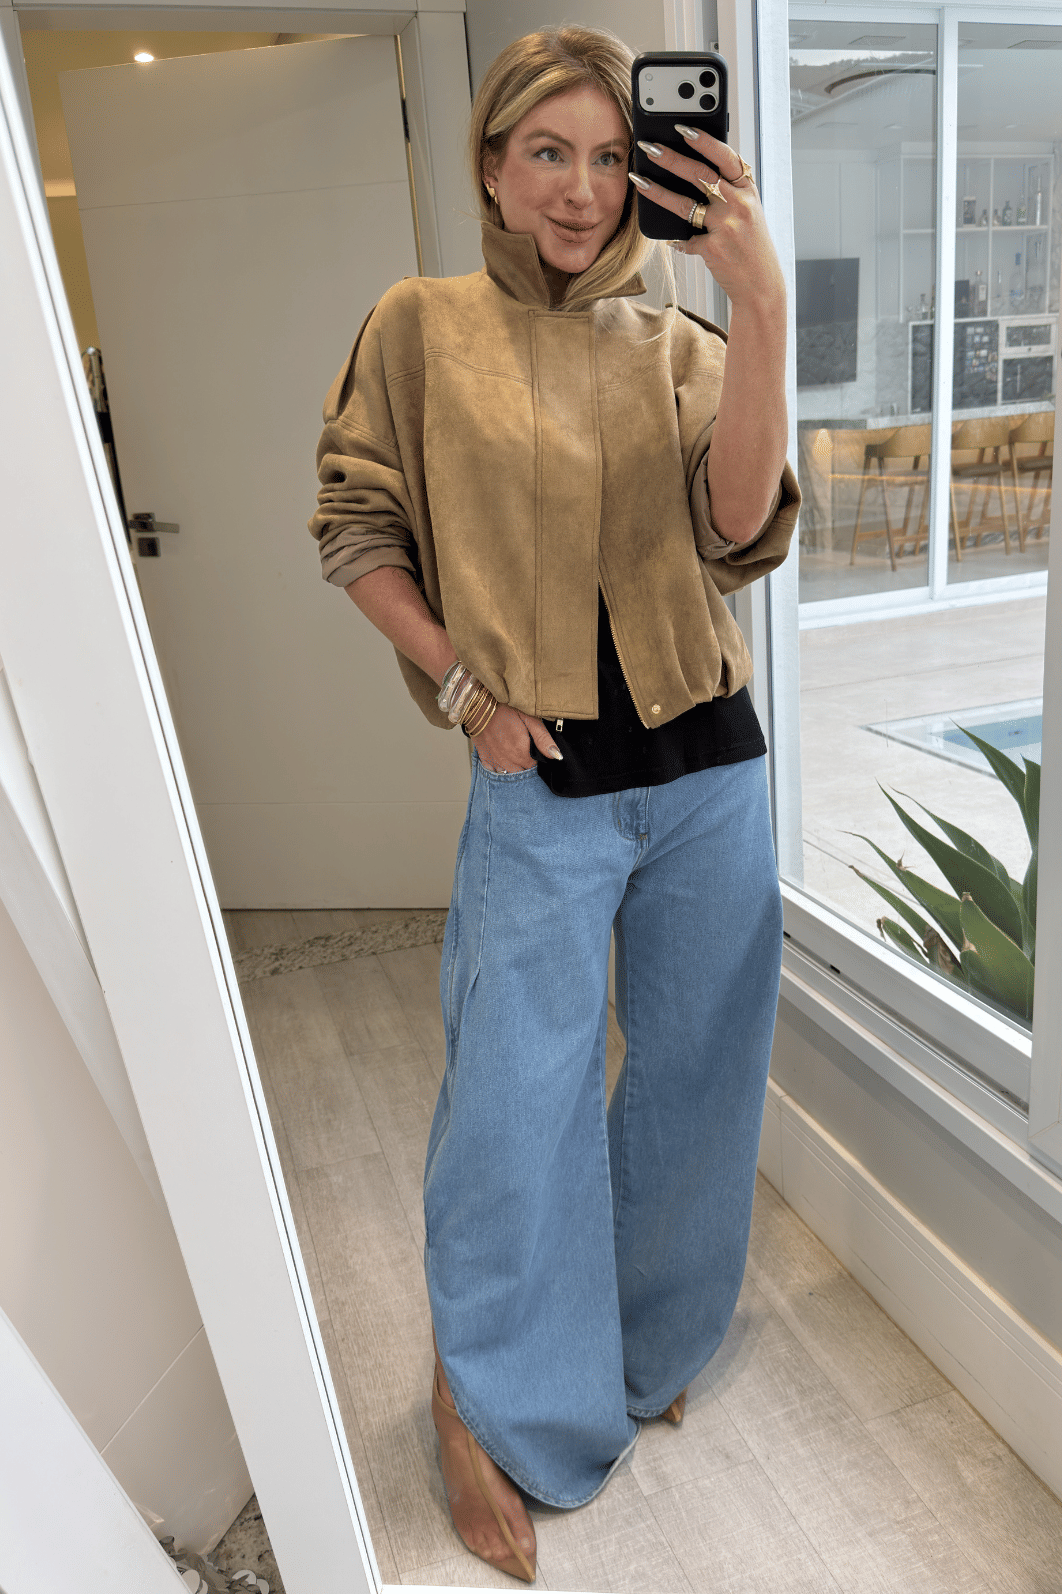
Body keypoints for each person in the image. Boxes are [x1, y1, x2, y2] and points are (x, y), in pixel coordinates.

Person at [309, 25, 799, 1582]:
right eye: (547, 153)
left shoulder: (680, 340)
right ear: (491, 164)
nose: (582, 189)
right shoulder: (421, 327)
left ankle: (639, 1350)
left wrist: (759, 307)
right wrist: (467, 691)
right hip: (544, 783)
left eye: (607, 157)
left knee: (695, 1082)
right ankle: (485, 1399)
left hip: (710, 771)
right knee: (513, 1106)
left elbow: (741, 527)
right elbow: (354, 524)